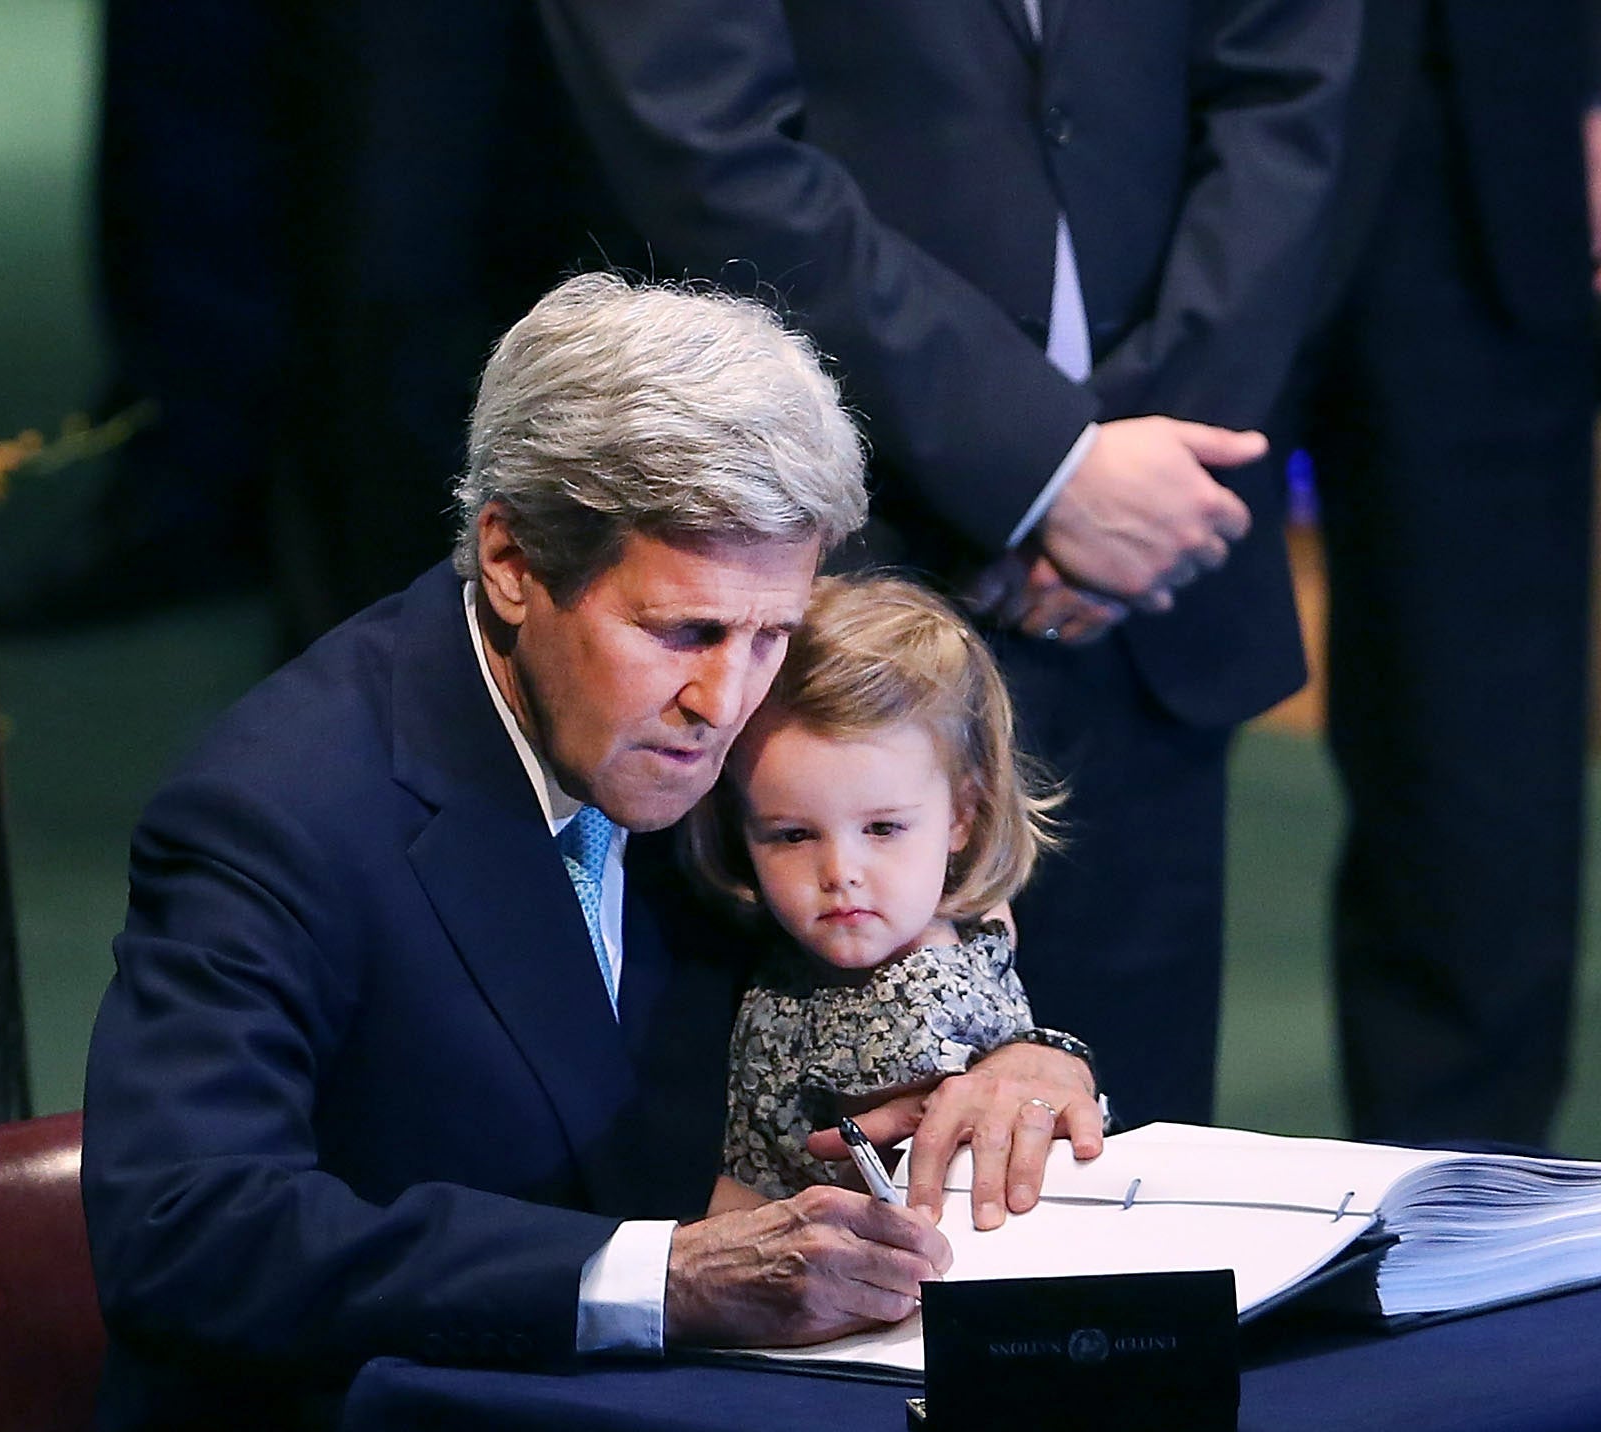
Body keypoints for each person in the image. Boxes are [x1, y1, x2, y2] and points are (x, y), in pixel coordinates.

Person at [67, 278, 1104, 1432]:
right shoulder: (280, 811)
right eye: (684, 633)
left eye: (771, 636)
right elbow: (187, 1231)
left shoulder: (714, 719)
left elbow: (861, 924)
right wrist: (661, 1278)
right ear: (508, 563)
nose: (730, 699)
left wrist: (1018, 1059)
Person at [534, 0, 1357, 1130]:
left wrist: (1144, 478)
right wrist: (1050, 466)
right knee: (811, 1207)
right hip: (825, 568)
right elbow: (703, 135)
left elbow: (1288, 90)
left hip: (1160, 570)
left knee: (1140, 1208)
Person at [1288, 0, 1597, 1148]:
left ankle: (1460, 1228)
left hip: (1490, 105)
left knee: (1478, 740)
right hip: (1134, 92)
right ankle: (1057, 1195)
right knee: (1098, 671)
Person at [683, 577, 1075, 1214]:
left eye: (883, 828)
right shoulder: (974, 920)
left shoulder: (908, 1015)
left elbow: (883, 1214)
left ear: (963, 815)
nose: (840, 872)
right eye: (793, 834)